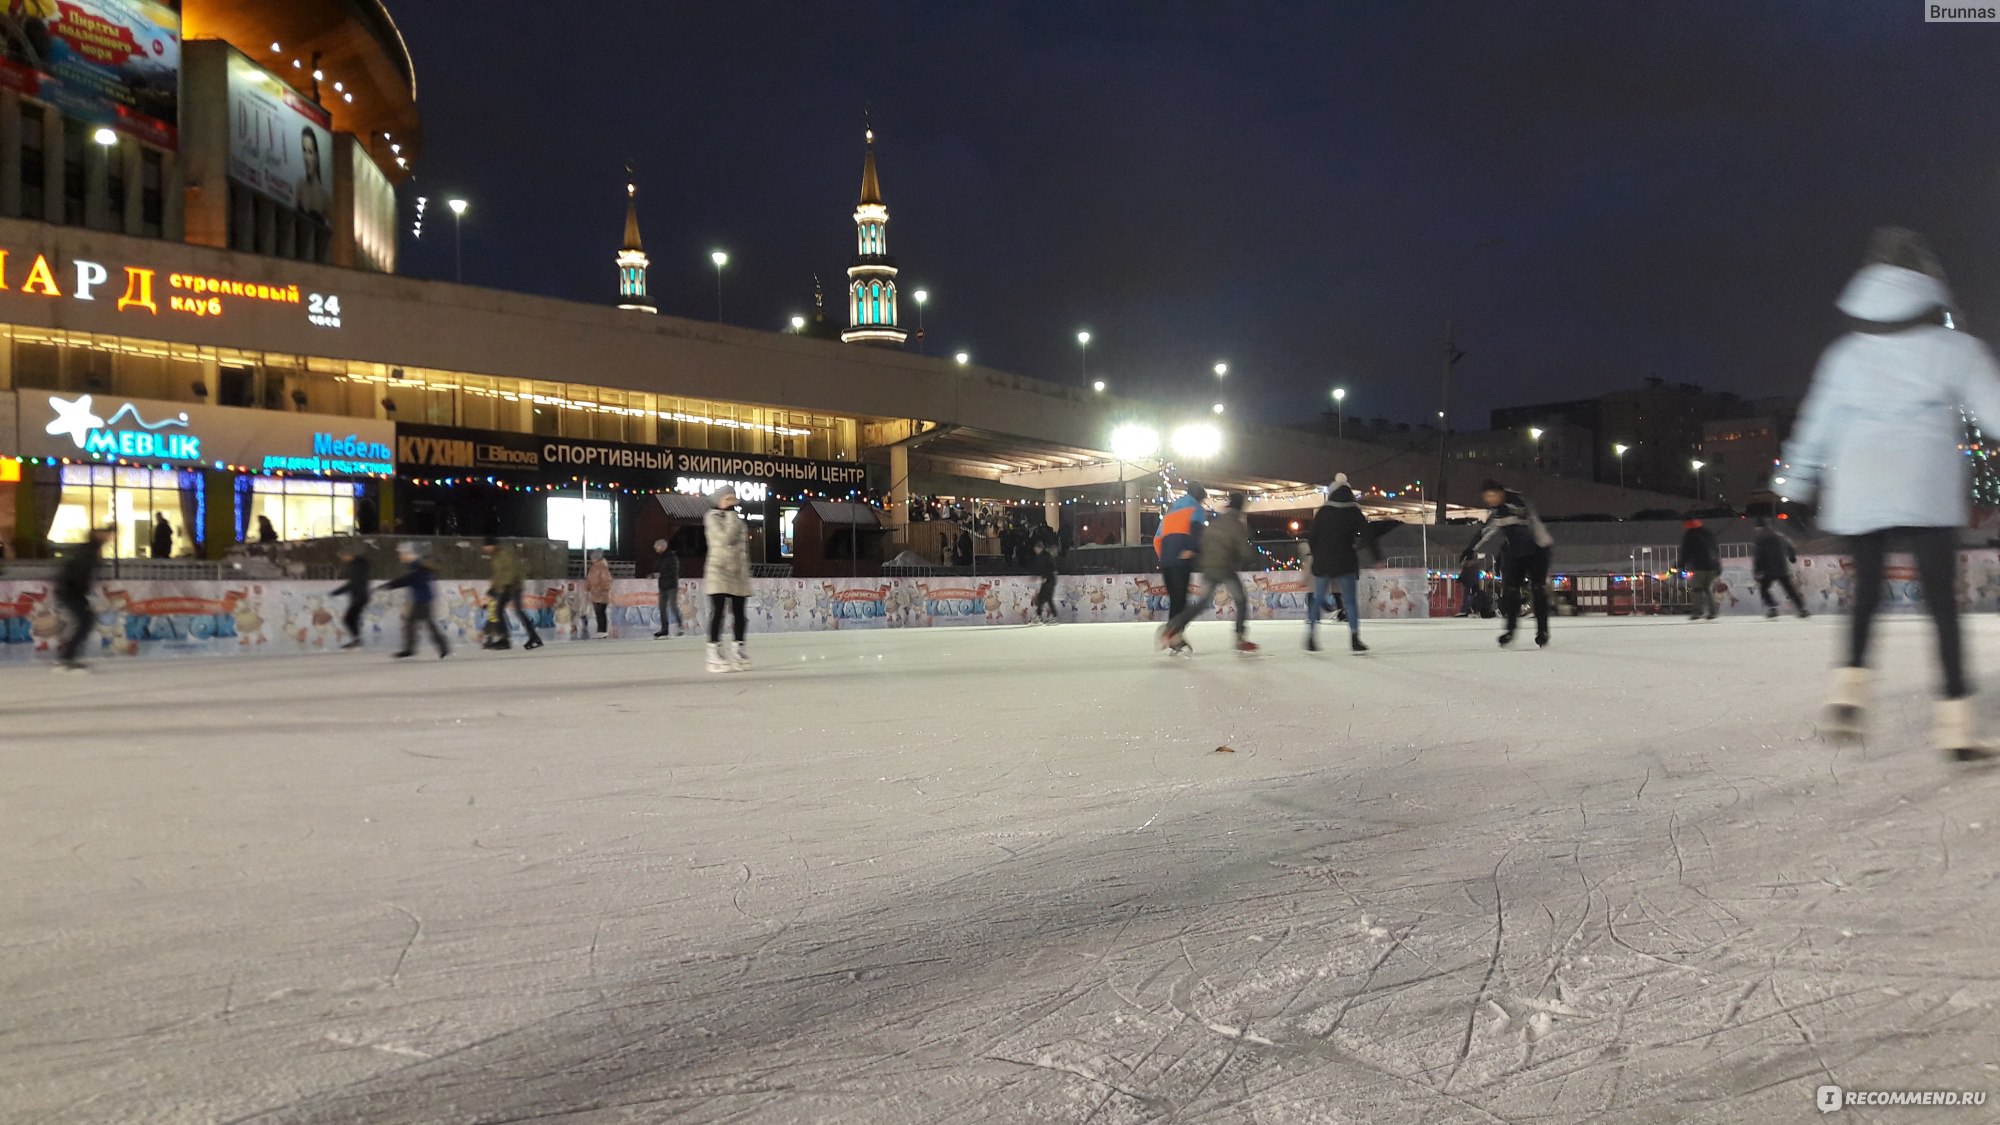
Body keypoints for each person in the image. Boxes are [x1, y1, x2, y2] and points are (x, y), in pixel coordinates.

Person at [1781, 226, 2000, 759]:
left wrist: (1793, 480)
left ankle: (1848, 696)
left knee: (1866, 597)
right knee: (1942, 608)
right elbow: (1994, 412)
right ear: (1927, 281)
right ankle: (1955, 727)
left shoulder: (1846, 355)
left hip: (1860, 485)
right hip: (1924, 485)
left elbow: (1817, 421)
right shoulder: (1955, 349)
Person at [1160, 490, 1257, 654]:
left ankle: (1172, 626)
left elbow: (1203, 540)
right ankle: (1240, 636)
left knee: (1201, 603)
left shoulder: (1216, 521)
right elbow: (1244, 551)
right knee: (1240, 600)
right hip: (1225, 567)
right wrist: (1248, 559)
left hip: (1209, 567)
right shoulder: (1236, 524)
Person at [1465, 479, 1554, 648]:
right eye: (1487, 497)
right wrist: (1471, 549)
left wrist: (1507, 511)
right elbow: (1486, 530)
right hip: (1515, 552)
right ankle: (1510, 630)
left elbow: (1526, 522)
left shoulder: (1517, 502)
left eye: (1493, 495)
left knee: (1538, 589)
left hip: (1538, 550)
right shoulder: (1498, 511)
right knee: (1510, 591)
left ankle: (1542, 631)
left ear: (1501, 493)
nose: (1490, 500)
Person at [1306, 473, 1372, 653]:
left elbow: (1312, 536)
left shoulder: (1323, 512)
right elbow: (1367, 534)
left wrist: (1316, 552)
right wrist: (1360, 548)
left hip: (1323, 560)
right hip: (1345, 559)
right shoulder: (1354, 511)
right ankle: (1354, 637)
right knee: (1349, 600)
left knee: (1318, 598)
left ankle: (1311, 637)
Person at [703, 485, 753, 672]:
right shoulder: (712, 518)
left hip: (738, 573)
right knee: (718, 612)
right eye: (728, 499)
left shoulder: (739, 521)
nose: (732, 502)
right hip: (719, 571)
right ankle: (713, 651)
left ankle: (738, 648)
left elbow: (743, 549)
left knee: (740, 614)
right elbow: (724, 539)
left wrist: (745, 570)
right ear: (719, 501)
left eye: (733, 498)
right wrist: (732, 518)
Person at [53, 526, 110, 672]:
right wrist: (78, 590)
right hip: (70, 591)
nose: (109, 537)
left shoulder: (90, 550)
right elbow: (77, 572)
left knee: (86, 621)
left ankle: (68, 656)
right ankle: (67, 657)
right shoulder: (88, 551)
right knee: (86, 621)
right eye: (106, 534)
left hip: (73, 591)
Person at [1152, 483, 1208, 628]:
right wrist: (1192, 549)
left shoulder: (1170, 511)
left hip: (1166, 561)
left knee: (1175, 600)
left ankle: (1173, 634)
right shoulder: (1196, 508)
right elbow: (1197, 532)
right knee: (1180, 601)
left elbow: (1157, 538)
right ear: (1199, 497)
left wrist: (1163, 557)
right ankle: (1172, 633)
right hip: (1181, 559)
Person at [381, 542, 448, 659]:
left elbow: (408, 579)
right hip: (423, 598)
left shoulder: (417, 566)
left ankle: (411, 649)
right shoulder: (418, 566)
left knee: (414, 623)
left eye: (401, 554)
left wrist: (390, 585)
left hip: (422, 599)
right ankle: (442, 647)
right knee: (423, 624)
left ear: (409, 554)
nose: (400, 556)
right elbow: (410, 579)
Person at [482, 536, 543, 650]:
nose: (485, 549)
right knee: (500, 611)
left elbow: (511, 570)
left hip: (513, 586)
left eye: (486, 546)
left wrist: (504, 585)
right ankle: (508, 639)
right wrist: (493, 588)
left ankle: (510, 639)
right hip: (506, 586)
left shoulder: (505, 554)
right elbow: (498, 575)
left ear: (492, 545)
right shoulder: (496, 557)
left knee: (513, 611)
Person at [1752, 518, 1809, 620]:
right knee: (1790, 589)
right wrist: (1792, 557)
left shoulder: (1760, 539)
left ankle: (1772, 607)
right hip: (1782, 567)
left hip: (1768, 570)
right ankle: (1802, 608)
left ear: (1759, 528)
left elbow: (1758, 556)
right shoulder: (1780, 536)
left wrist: (1757, 571)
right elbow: (1790, 546)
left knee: (1764, 589)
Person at [1680, 517, 1722, 621]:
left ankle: (1697, 612)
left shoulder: (1690, 535)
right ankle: (1713, 612)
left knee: (1696, 589)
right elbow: (1716, 549)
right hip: (1713, 566)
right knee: (1708, 589)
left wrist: (1679, 565)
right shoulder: (1708, 533)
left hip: (1700, 566)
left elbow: (1686, 553)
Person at [330, 550, 371, 649]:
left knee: (348, 619)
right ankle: (357, 640)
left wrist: (336, 592)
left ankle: (357, 640)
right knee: (352, 619)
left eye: (343, 556)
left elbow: (353, 584)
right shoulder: (359, 565)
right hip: (361, 596)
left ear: (349, 555)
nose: (342, 559)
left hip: (360, 596)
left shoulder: (357, 566)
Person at [652, 539, 683, 638]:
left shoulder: (672, 558)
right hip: (663, 586)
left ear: (662, 547)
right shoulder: (659, 558)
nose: (655, 549)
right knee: (662, 608)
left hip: (671, 586)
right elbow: (656, 568)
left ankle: (680, 625)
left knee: (673, 606)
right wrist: (653, 574)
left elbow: (674, 572)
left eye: (657, 547)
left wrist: (661, 575)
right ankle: (664, 629)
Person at [1030, 540, 1059, 623]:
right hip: (1046, 579)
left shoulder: (1047, 556)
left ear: (1040, 548)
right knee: (1040, 598)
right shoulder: (1039, 557)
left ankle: (1055, 616)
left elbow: (1052, 568)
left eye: (1037, 549)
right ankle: (1038, 617)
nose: (1035, 551)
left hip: (1050, 579)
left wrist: (1046, 576)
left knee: (1048, 598)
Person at [585, 551, 613, 637]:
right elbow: (590, 580)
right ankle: (601, 630)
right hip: (596, 593)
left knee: (600, 612)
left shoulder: (601, 568)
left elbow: (606, 581)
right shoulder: (596, 567)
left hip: (600, 593)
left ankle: (602, 630)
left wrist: (600, 589)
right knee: (599, 612)